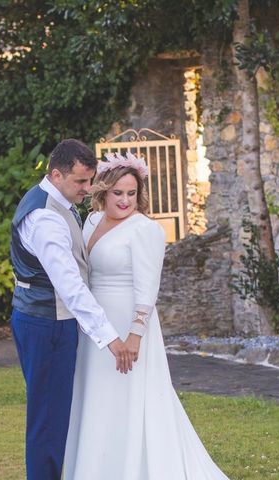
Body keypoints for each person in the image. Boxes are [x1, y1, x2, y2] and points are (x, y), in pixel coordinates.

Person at [63, 151, 230, 479]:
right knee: (95, 395)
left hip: (128, 324)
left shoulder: (145, 230)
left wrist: (134, 335)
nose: (125, 200)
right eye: (118, 193)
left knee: (128, 396)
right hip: (95, 325)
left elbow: (147, 288)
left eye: (132, 193)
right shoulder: (93, 220)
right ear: (104, 192)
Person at [9, 139, 134, 480]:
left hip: (45, 320)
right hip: (47, 323)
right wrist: (110, 338)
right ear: (57, 174)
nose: (88, 188)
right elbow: (70, 287)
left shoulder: (56, 201)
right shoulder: (45, 218)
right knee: (48, 419)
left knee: (55, 413)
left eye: (90, 179)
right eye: (81, 181)